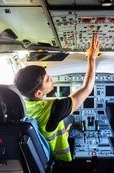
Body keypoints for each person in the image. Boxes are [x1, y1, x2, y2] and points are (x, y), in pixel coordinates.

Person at [14, 34, 99, 162]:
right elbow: (87, 88)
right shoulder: (54, 108)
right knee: (70, 117)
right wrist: (92, 58)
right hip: (56, 158)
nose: (52, 78)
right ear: (38, 93)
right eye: (48, 80)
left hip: (35, 155)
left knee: (68, 118)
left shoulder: (20, 106)